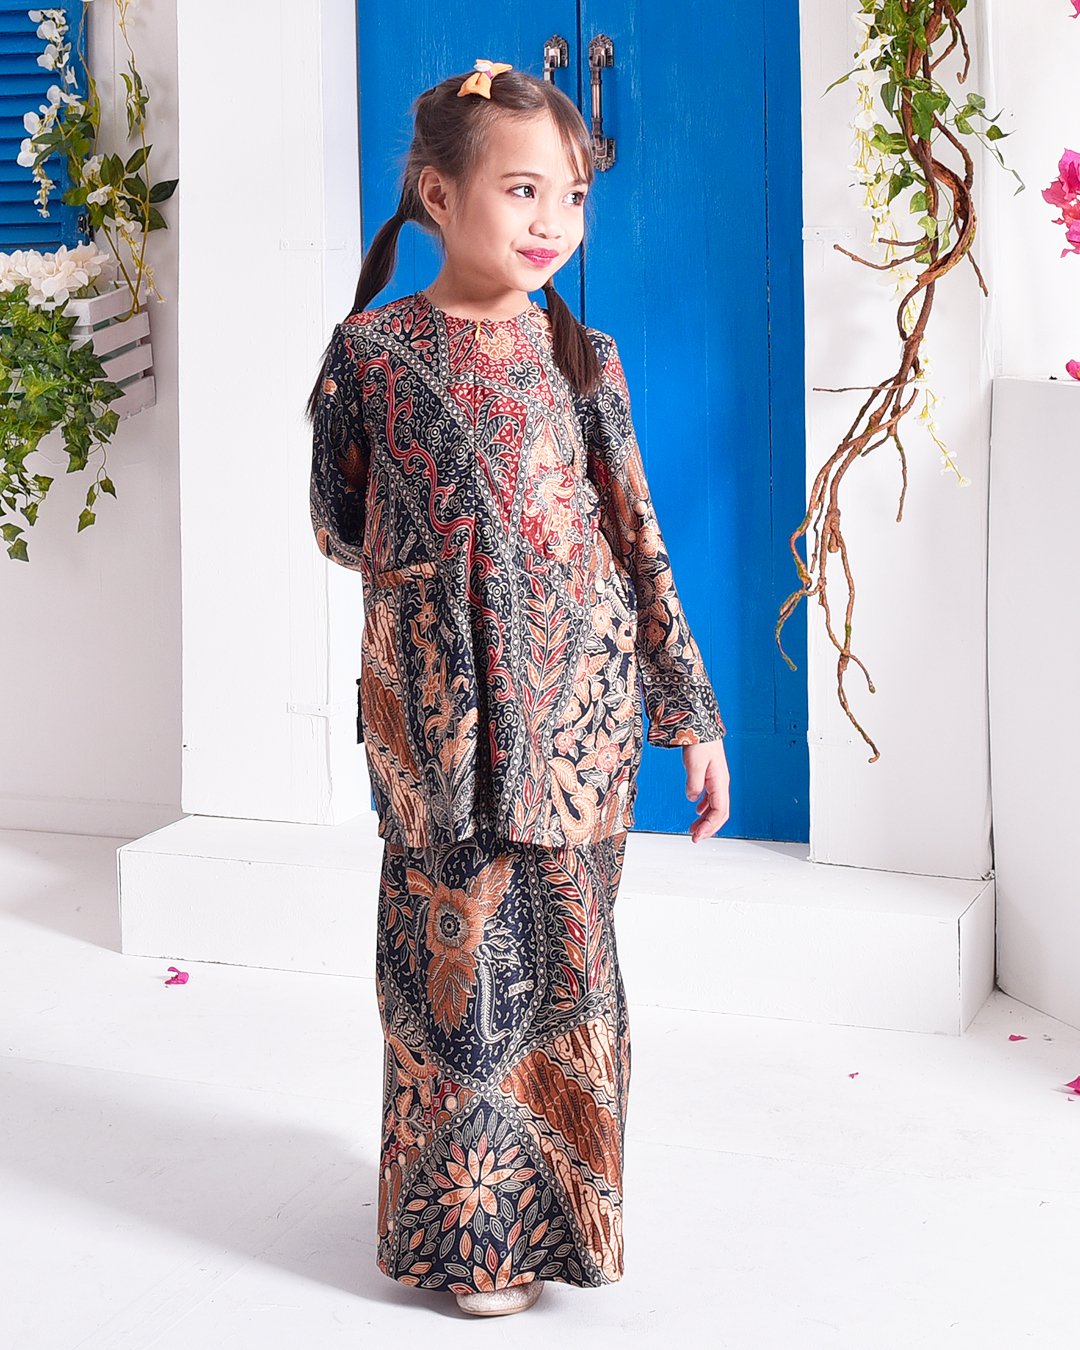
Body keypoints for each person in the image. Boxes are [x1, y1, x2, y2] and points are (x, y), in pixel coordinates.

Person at [304, 57, 731, 1318]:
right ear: (439, 196)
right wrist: (449, 592)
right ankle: (471, 1244)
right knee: (451, 981)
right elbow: (336, 519)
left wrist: (689, 714)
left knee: (569, 973)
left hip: (578, 726)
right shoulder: (371, 353)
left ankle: (564, 1229)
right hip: (438, 729)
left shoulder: (582, 356)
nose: (554, 221)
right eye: (524, 190)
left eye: (574, 196)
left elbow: (637, 538)